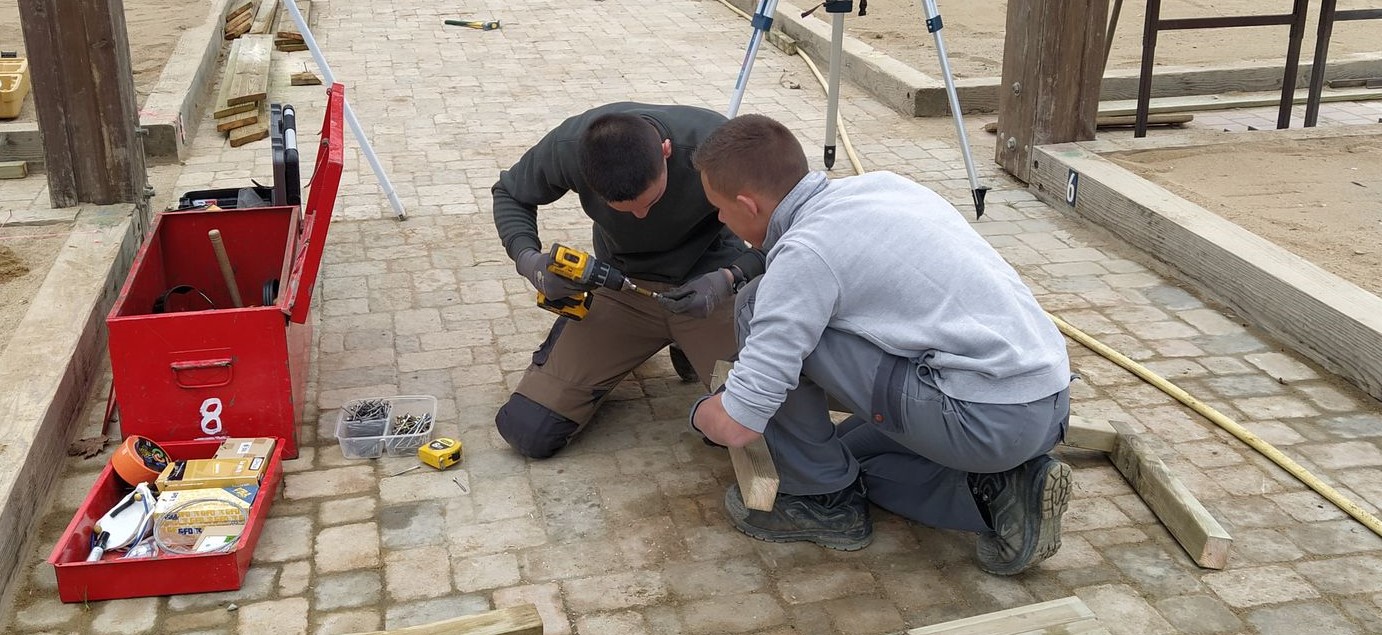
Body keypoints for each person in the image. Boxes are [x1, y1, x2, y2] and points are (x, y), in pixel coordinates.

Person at [688, 113, 1073, 576]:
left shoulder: (805, 254)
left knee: (755, 304)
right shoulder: (885, 186)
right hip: (1045, 399)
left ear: (748, 205)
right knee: (848, 452)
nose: (719, 220)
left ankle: (822, 501)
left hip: (983, 418)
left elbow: (739, 426)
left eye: (720, 208)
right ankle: (1007, 491)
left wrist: (708, 410)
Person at [491, 102, 765, 459]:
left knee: (753, 427)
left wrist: (732, 275)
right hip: (624, 285)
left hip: (711, 287)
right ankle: (643, 346)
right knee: (529, 430)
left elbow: (789, 229)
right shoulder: (569, 146)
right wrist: (530, 262)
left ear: (666, 153)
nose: (640, 216)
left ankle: (688, 343)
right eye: (626, 208)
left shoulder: (716, 145)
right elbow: (510, 193)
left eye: (650, 202)